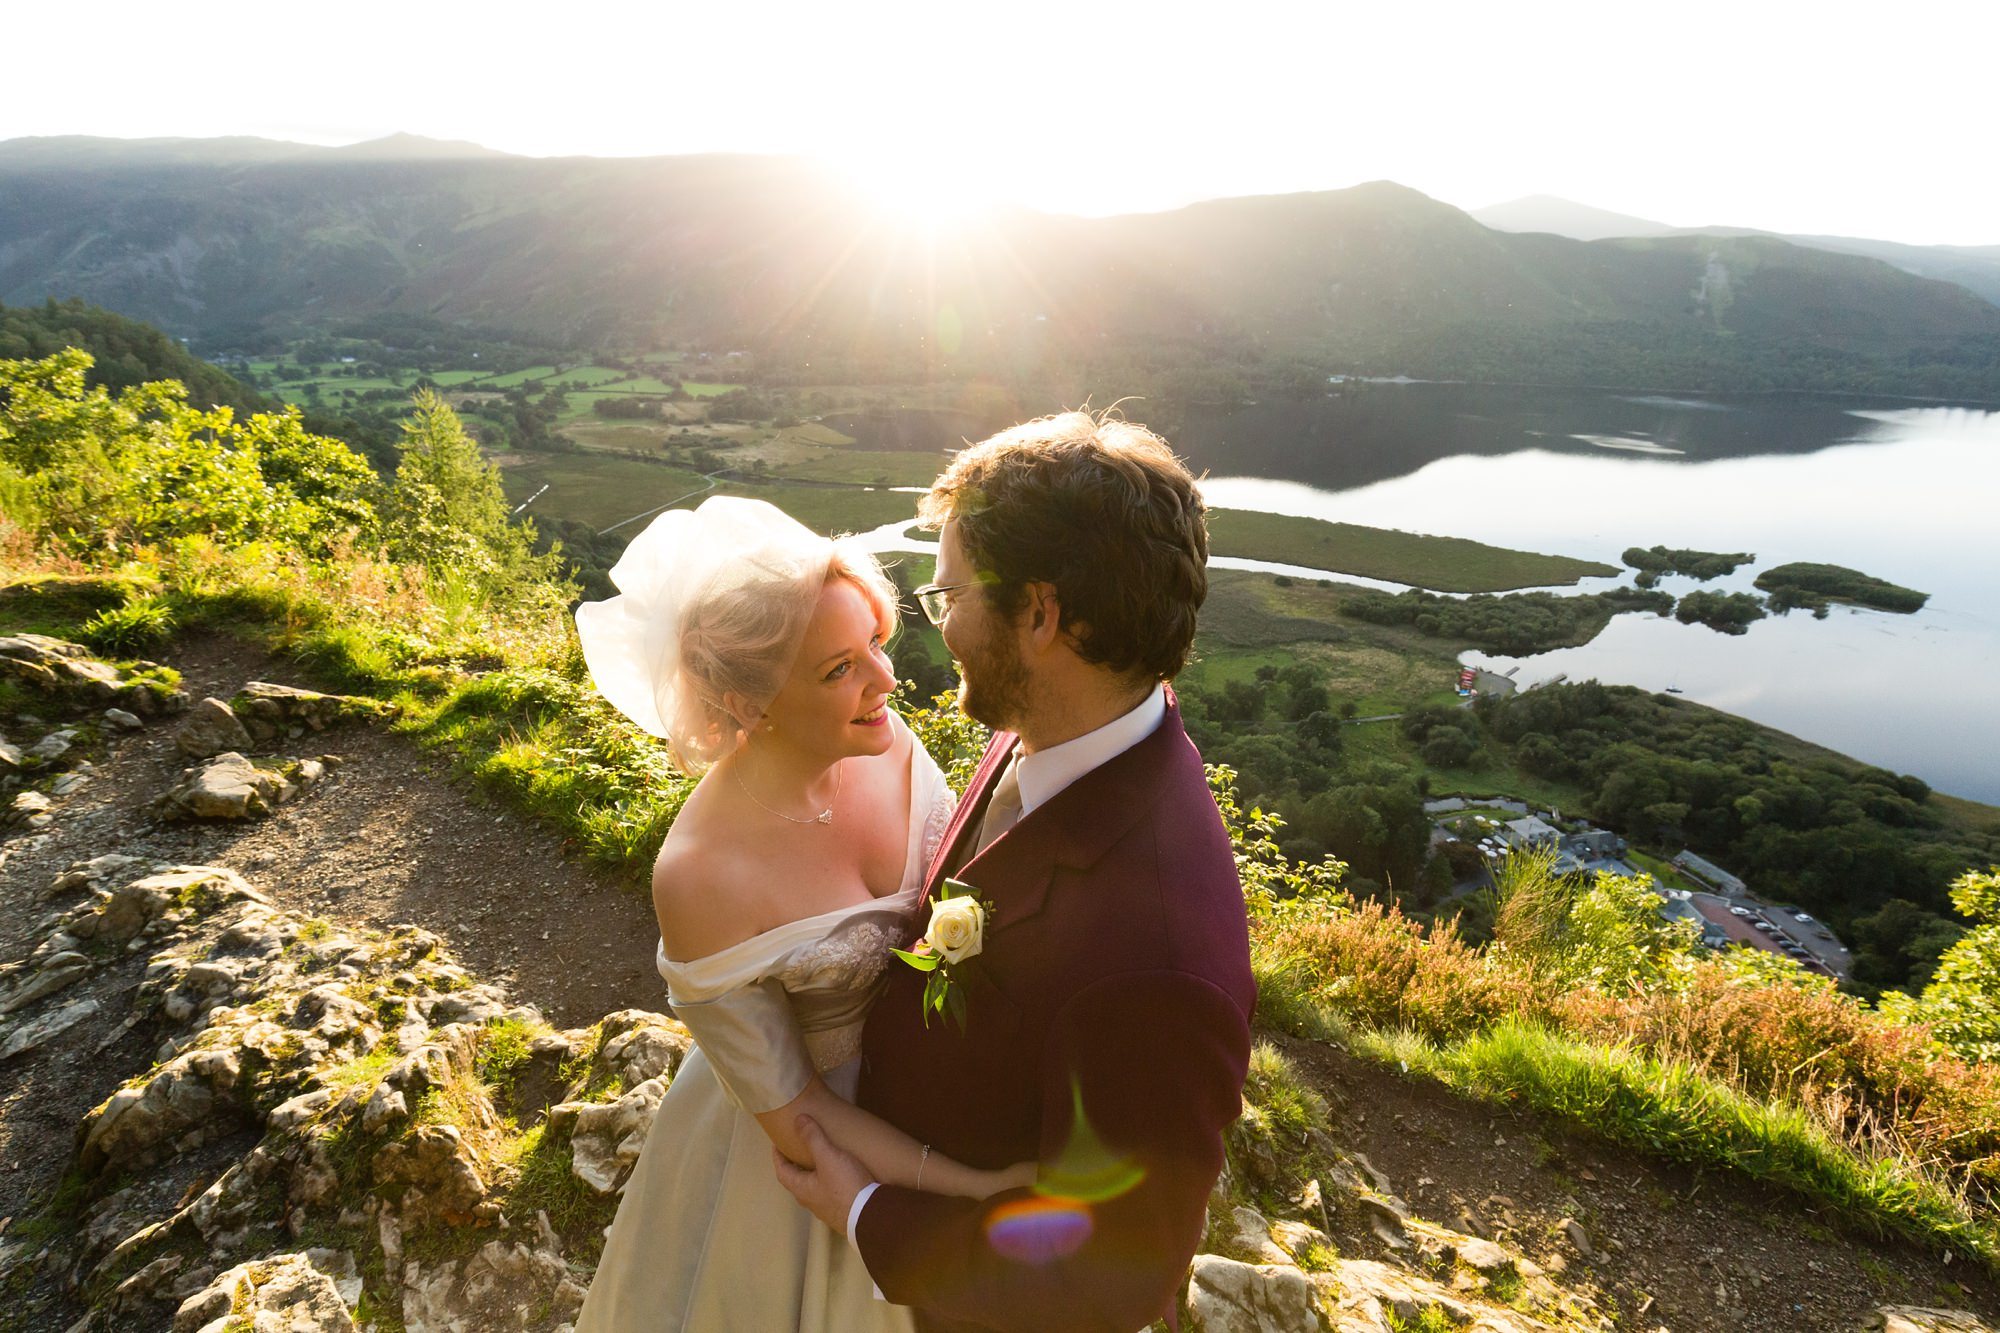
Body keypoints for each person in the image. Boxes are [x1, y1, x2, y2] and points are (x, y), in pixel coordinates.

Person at [776, 412, 1257, 1332]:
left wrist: (867, 1213)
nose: (941, 626)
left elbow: (1112, 1279)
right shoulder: (1051, 726)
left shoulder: (1159, 960)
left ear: (1040, 614)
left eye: (949, 595)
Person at [571, 497, 1032, 1333]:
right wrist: (974, 1185)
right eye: (838, 669)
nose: (886, 681)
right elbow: (802, 1117)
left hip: (927, 1084)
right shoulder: (701, 876)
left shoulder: (885, 738)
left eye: (877, 643)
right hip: (805, 1163)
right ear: (749, 704)